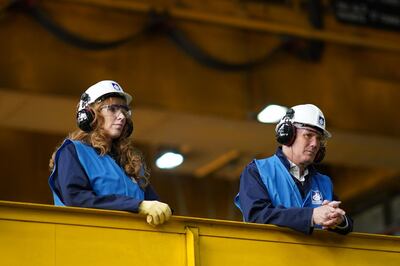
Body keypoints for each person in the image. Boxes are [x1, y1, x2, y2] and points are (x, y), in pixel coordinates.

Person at [48, 80, 171, 226]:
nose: (122, 117)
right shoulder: (72, 152)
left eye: (124, 110)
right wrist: (137, 206)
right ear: (89, 114)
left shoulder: (130, 163)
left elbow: (156, 205)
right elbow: (76, 199)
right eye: (113, 109)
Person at [235, 104, 353, 235]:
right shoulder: (257, 171)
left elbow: (346, 226)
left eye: (319, 138)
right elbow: (256, 216)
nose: (315, 144)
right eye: (308, 135)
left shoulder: (324, 182)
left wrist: (339, 220)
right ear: (287, 134)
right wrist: (311, 216)